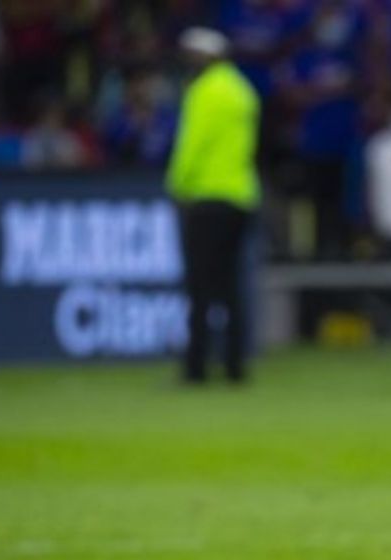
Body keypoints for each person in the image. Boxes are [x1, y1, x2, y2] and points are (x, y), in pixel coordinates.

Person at [165, 27, 260, 384]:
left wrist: (177, 185)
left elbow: (192, 145)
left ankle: (196, 367)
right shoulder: (242, 90)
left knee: (200, 287)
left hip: (206, 197)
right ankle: (235, 366)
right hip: (241, 195)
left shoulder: (204, 91)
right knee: (231, 286)